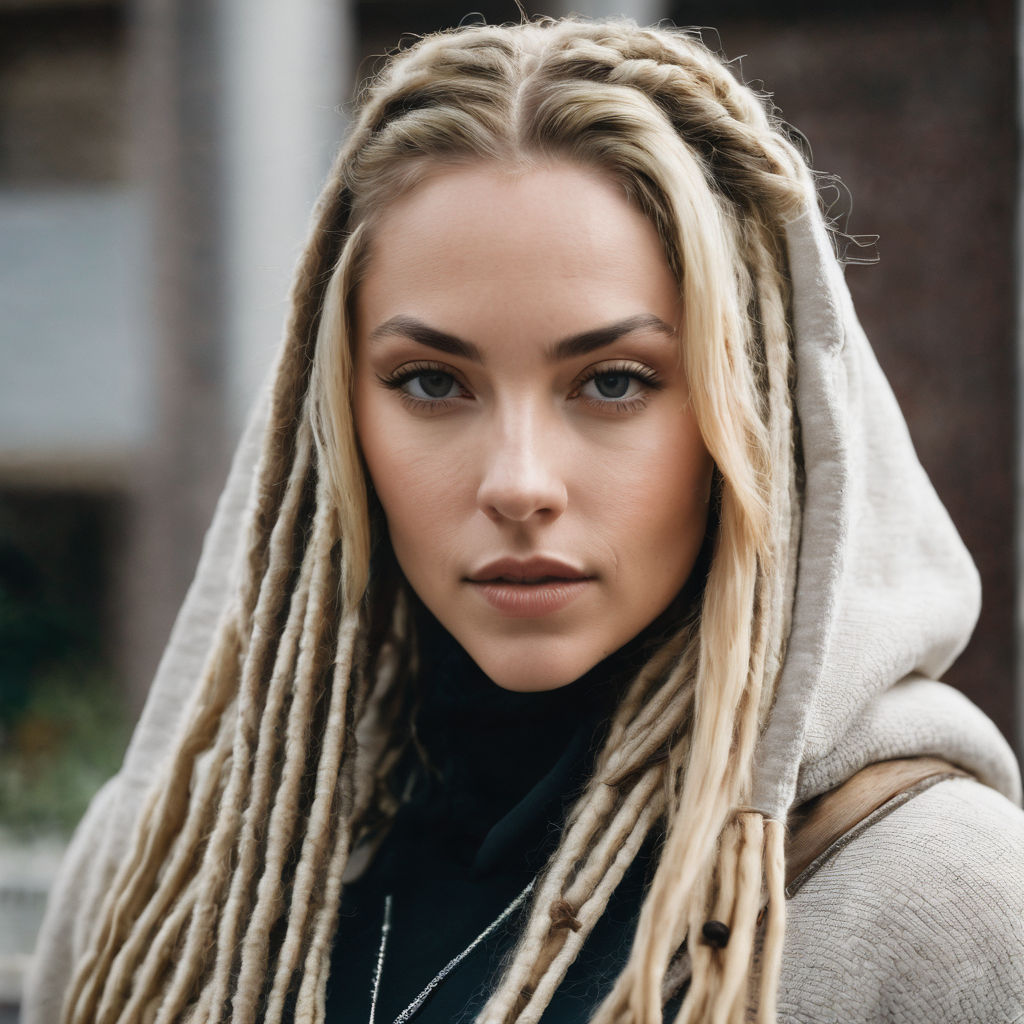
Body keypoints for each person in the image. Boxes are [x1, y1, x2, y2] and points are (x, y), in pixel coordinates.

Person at [24, 16, 1024, 1024]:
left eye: (614, 382)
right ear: (332, 416)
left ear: (751, 412)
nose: (517, 482)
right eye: (430, 382)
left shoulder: (937, 897)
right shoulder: (169, 878)